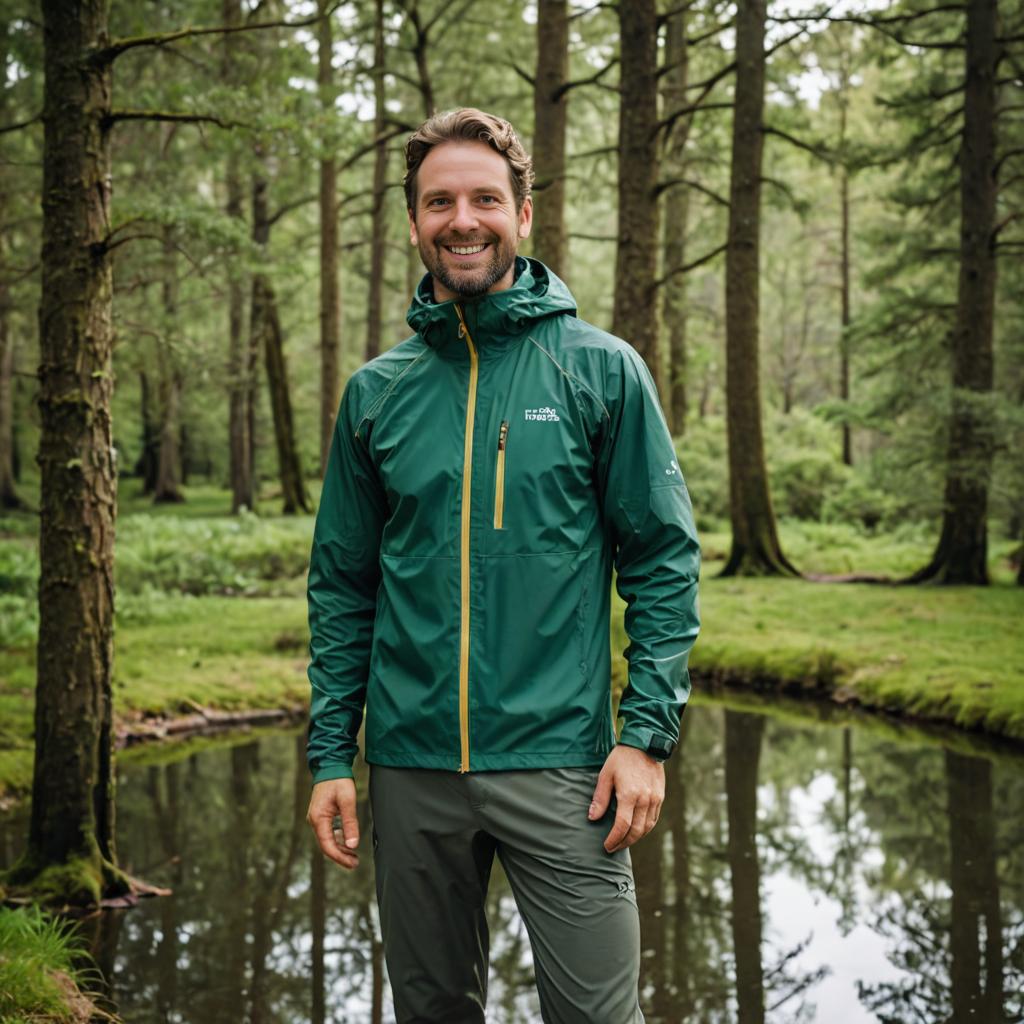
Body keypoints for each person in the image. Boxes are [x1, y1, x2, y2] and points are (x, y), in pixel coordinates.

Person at [305, 107, 700, 1024]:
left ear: (524, 214)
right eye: (438, 201)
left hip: (567, 768)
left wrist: (645, 737)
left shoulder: (601, 372)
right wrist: (332, 752)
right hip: (410, 770)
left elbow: (662, 560)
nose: (462, 219)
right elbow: (342, 587)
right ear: (414, 224)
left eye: (485, 197)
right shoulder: (376, 396)